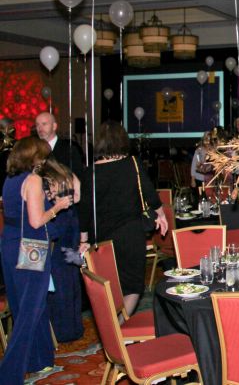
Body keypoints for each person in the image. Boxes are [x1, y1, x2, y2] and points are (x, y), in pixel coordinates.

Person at [0, 137, 74, 382]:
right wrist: (58, 206)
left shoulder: (10, 179)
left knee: (26, 305)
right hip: (31, 247)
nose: (44, 161)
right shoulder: (32, 179)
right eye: (42, 156)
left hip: (10, 244)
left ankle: (40, 359)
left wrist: (46, 197)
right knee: (29, 311)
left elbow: (18, 212)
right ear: (34, 157)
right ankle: (9, 373)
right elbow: (36, 221)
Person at [78, 121, 167, 316]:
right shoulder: (131, 164)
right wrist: (162, 216)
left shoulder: (89, 172)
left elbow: (84, 209)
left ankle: (111, 329)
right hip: (129, 234)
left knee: (107, 285)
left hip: (100, 235)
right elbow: (150, 194)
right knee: (132, 285)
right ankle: (120, 328)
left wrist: (83, 240)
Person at [35, 111, 85, 342]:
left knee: (62, 276)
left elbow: (76, 189)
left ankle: (64, 329)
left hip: (59, 225)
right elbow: (77, 189)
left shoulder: (63, 155)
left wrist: (57, 204)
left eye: (44, 123)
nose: (40, 128)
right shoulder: (62, 168)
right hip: (70, 224)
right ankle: (73, 327)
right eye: (37, 124)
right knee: (70, 274)